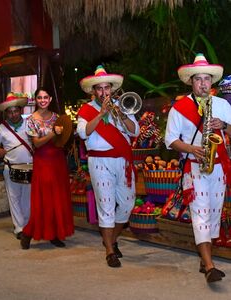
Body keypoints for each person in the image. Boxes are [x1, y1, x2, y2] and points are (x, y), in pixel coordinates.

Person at [165, 53, 231, 283]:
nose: (203, 83)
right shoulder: (179, 108)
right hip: (194, 168)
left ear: (211, 82)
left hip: (218, 167)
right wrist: (192, 149)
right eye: (198, 79)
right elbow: (170, 140)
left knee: (213, 213)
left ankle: (205, 261)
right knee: (200, 214)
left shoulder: (222, 105)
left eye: (206, 79)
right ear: (191, 82)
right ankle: (211, 266)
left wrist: (224, 125)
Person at [77, 65, 140, 268]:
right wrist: (101, 114)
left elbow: (135, 131)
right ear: (93, 91)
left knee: (127, 205)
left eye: (107, 88)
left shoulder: (122, 105)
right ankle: (110, 251)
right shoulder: (86, 110)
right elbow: (83, 133)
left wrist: (121, 116)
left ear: (111, 89)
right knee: (106, 206)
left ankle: (111, 239)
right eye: (99, 88)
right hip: (100, 161)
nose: (104, 92)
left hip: (123, 160)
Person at [20, 87, 74, 249]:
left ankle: (55, 234)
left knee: (58, 198)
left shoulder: (58, 118)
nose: (43, 100)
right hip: (43, 161)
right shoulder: (30, 120)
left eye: (45, 97)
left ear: (50, 99)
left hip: (58, 161)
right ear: (36, 100)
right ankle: (28, 233)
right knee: (43, 200)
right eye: (39, 98)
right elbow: (36, 143)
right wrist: (52, 133)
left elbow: (63, 139)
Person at [0, 93, 33, 239]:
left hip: (29, 167)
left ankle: (27, 226)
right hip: (10, 167)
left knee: (27, 198)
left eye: (16, 110)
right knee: (14, 198)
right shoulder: (1, 128)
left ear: (20, 110)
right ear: (6, 113)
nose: (13, 114)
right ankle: (19, 228)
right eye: (10, 111)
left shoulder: (29, 124)